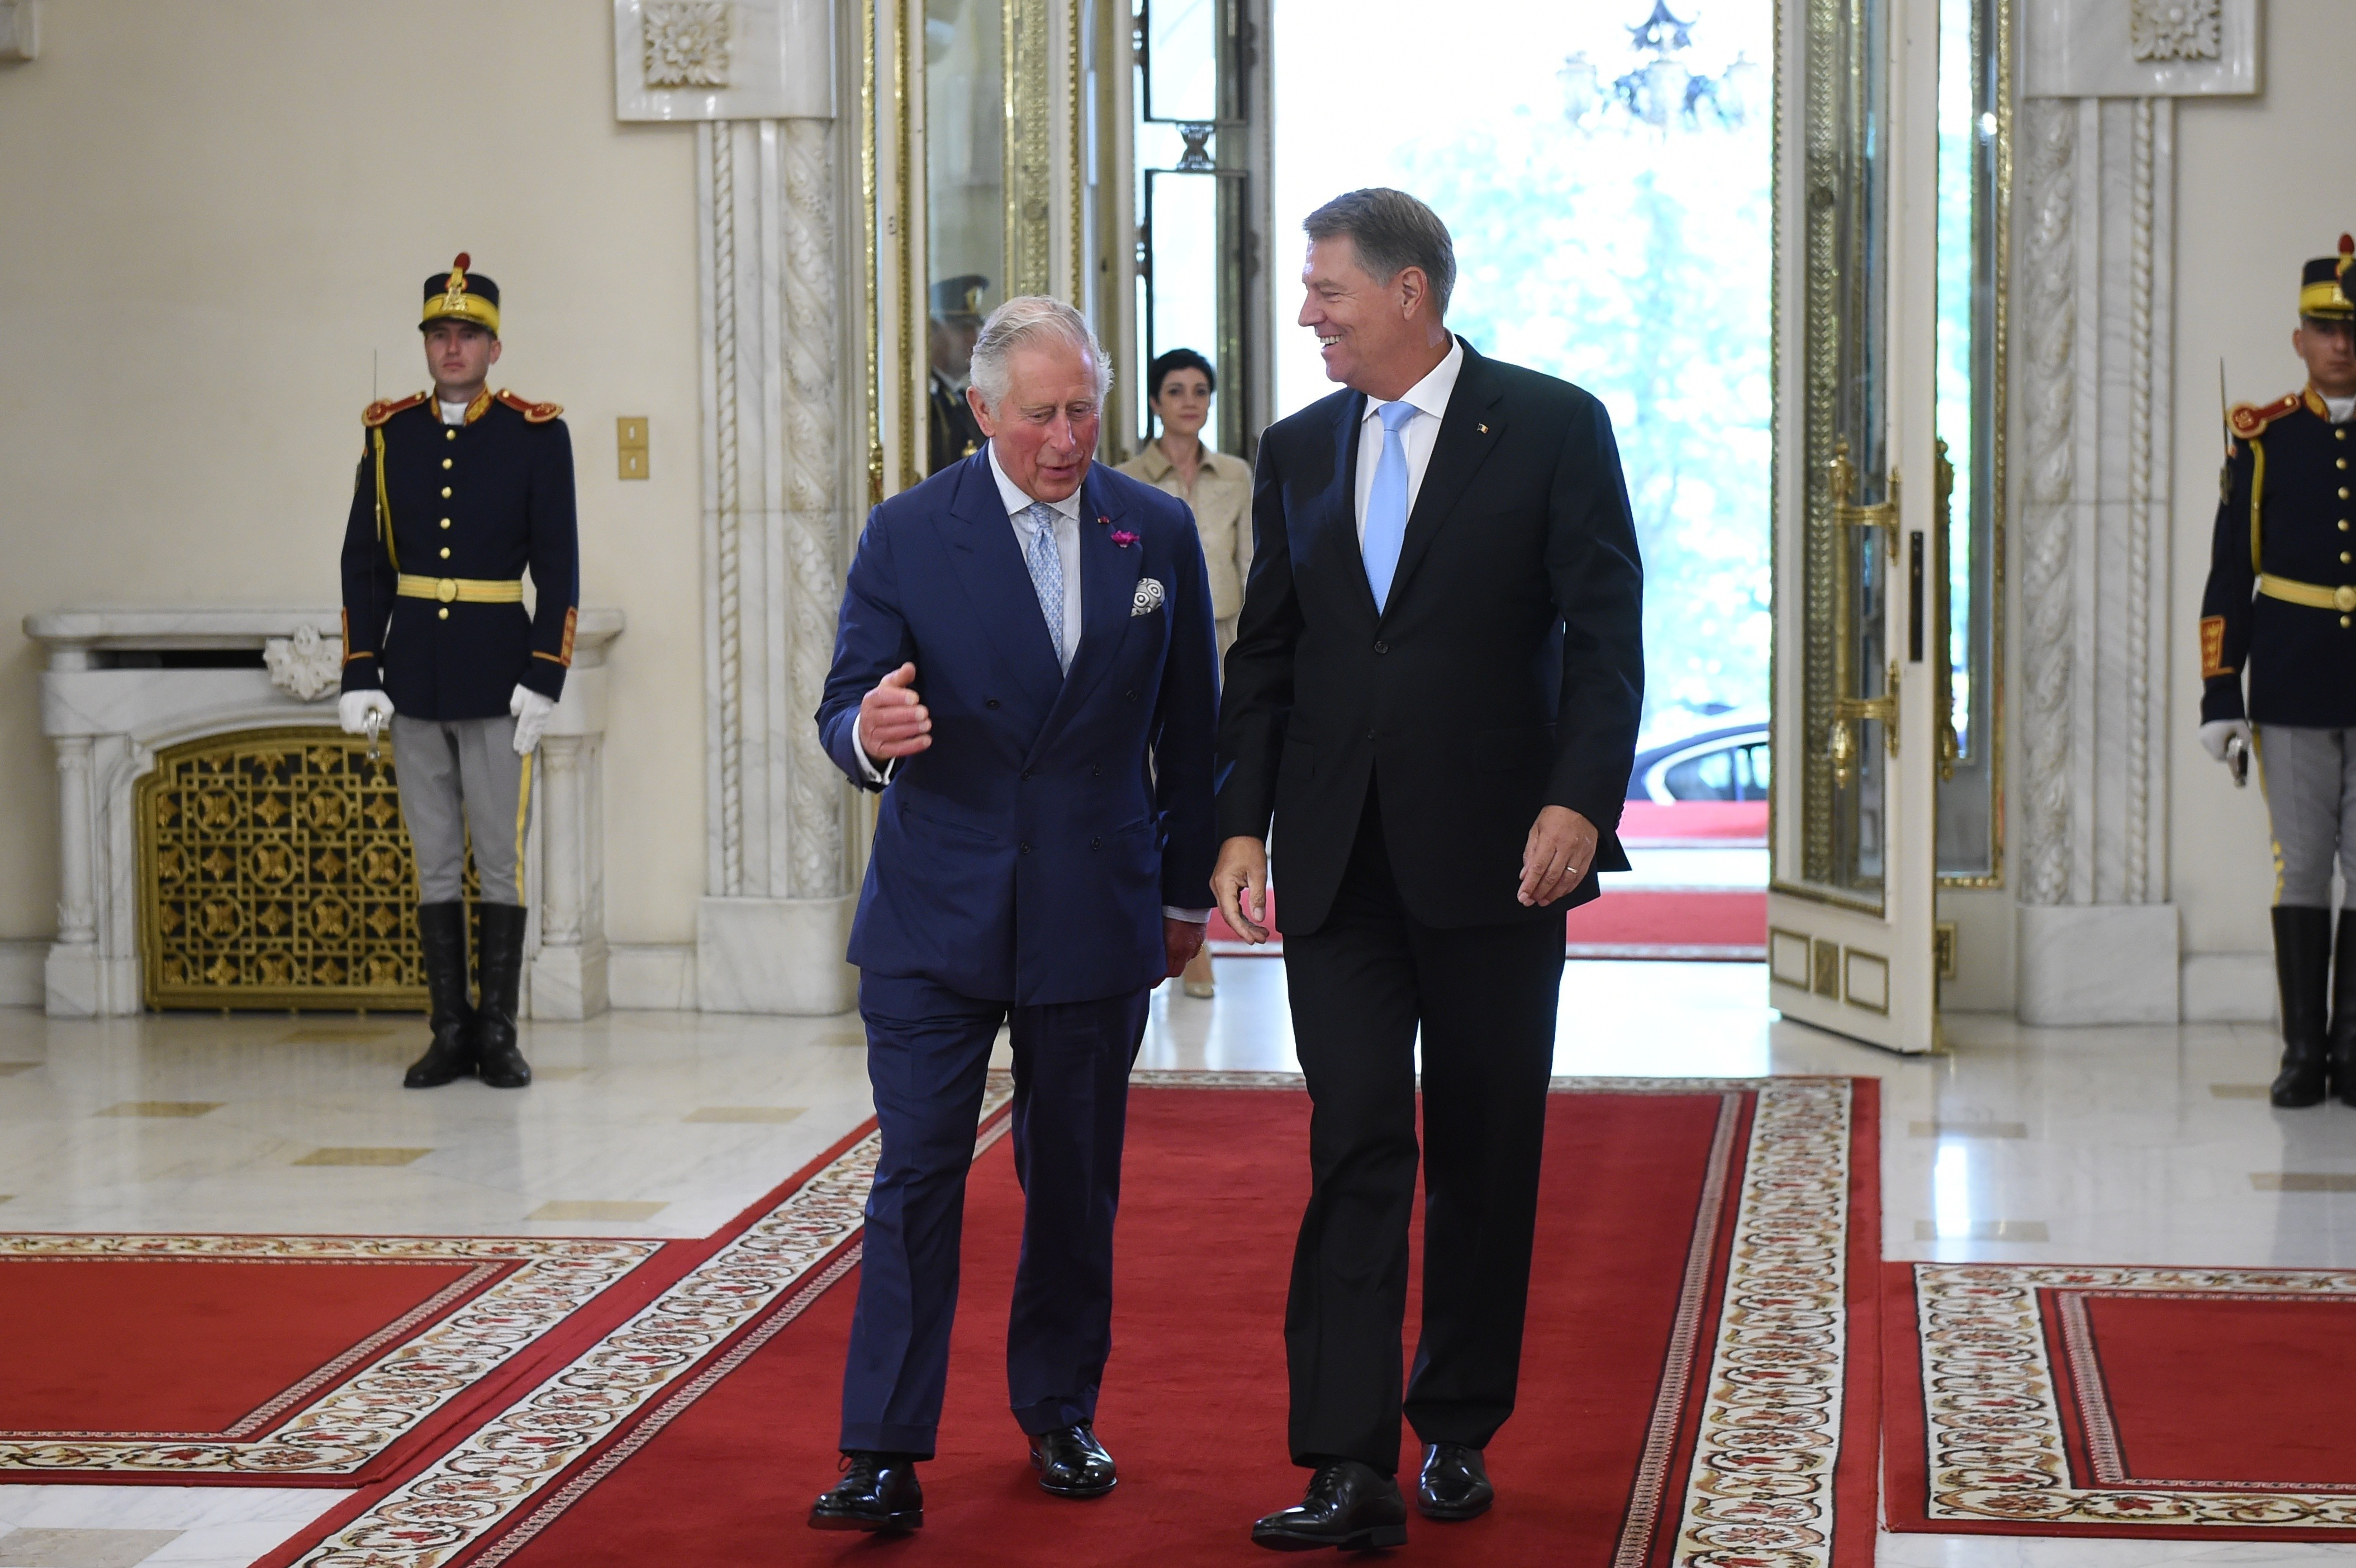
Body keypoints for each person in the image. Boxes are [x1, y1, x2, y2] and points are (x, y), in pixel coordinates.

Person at [1212, 189, 1642, 1550]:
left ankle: (1455, 1418)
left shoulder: (1554, 424)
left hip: (1500, 858)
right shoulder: (1296, 447)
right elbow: (1268, 650)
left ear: (1408, 291)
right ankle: (1346, 1458)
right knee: (1352, 1138)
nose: (1307, 314)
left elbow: (1606, 632)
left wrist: (1579, 799)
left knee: (1481, 1147)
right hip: (1336, 859)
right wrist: (1238, 822)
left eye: (1326, 290)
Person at [808, 295, 1219, 1533]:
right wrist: (869, 733)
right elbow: (843, 704)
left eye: (1083, 409)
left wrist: (1183, 893)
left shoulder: (1154, 529)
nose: (1065, 437)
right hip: (938, 907)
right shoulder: (906, 532)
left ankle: (1058, 1408)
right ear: (982, 411)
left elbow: (1191, 730)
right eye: (1040, 413)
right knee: (918, 1174)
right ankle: (882, 1448)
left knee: (1074, 1180)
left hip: (1092, 903)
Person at [336, 254, 578, 1092]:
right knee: (435, 858)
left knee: (499, 859)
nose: (452, 347)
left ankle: (498, 1033)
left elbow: (559, 564)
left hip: (496, 674)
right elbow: (367, 562)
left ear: (493, 348)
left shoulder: (535, 435)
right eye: (439, 333)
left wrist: (545, 671)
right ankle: (449, 1030)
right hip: (414, 676)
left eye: (468, 335)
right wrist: (361, 669)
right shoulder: (390, 433)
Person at [2198, 234, 2356, 1109]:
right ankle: (2303, 1051)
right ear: (2299, 339)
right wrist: (2221, 693)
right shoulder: (2264, 442)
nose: (2341, 344)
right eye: (2325, 329)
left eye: (2352, 330)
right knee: (2301, 865)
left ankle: (2353, 1047)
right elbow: (2231, 578)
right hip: (2293, 684)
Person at [1119, 347, 1253, 1000]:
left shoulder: (1236, 476)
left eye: (1200, 390)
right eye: (1176, 390)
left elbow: (1252, 565)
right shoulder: (1125, 479)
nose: (1189, 401)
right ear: (1155, 401)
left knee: (1208, 779)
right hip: (1150, 639)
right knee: (1150, 780)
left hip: (1222, 639)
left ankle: (1195, 927)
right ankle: (1157, 922)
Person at [928, 274, 990, 473]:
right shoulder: (927, 402)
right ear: (933, 332)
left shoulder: (959, 399)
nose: (974, 338)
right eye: (963, 328)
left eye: (975, 328)